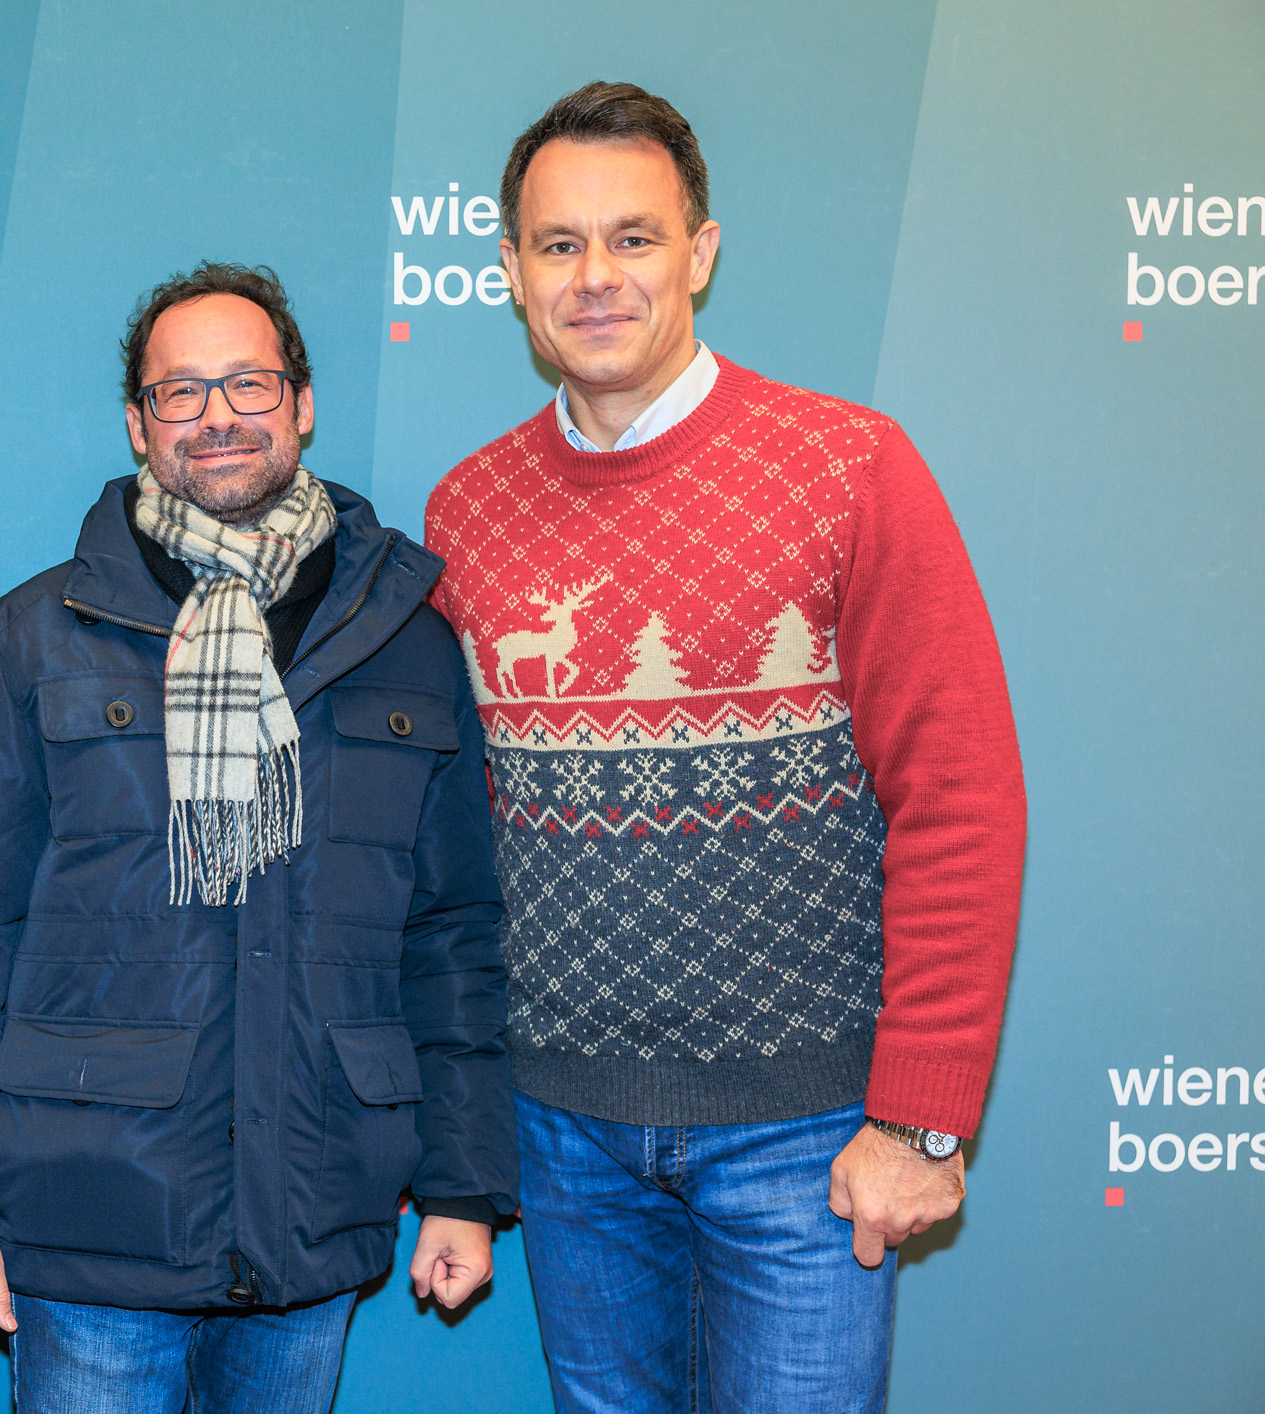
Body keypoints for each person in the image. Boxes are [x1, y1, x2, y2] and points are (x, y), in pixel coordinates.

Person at [423, 83, 1027, 1411]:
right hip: (567, 1136)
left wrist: (919, 1117)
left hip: (810, 1136)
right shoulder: (466, 510)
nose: (595, 276)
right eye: (559, 243)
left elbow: (958, 798)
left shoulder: (848, 468)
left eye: (633, 238)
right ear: (513, 270)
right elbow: (460, 847)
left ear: (699, 252)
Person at [0, 262, 518, 1413]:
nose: (217, 414)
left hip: (315, 1213)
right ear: (140, 424)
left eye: (247, 382)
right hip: (90, 1224)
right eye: (179, 391)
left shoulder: (406, 641)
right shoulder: (29, 640)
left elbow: (451, 936)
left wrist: (463, 1182)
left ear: (302, 403)